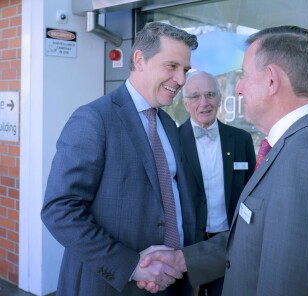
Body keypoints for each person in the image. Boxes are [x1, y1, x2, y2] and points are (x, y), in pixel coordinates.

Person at [138, 25, 308, 296]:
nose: (240, 88)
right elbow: (254, 239)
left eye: (245, 75)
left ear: (271, 80)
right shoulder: (295, 147)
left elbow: (294, 283)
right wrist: (182, 259)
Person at [41, 22, 198, 296]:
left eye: (184, 70)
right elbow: (59, 209)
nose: (182, 80)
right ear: (139, 60)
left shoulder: (169, 124)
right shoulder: (94, 119)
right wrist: (131, 265)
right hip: (110, 285)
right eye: (171, 66)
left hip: (171, 282)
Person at [179, 71, 256, 295]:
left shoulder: (241, 140)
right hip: (188, 247)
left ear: (220, 98)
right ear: (185, 103)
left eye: (210, 94)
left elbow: (251, 193)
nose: (204, 103)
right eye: (195, 96)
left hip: (229, 244)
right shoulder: (172, 140)